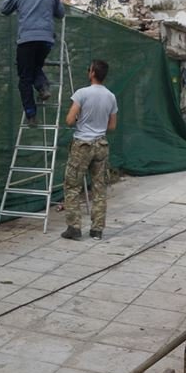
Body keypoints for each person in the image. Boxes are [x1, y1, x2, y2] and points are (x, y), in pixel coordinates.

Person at [0, 0, 65, 127]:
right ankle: (43, 86)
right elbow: (60, 14)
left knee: (25, 77)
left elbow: (4, 9)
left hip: (27, 40)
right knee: (35, 66)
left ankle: (31, 115)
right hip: (46, 40)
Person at [61, 59, 118, 241]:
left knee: (72, 186)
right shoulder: (111, 96)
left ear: (92, 72)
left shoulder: (82, 93)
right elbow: (112, 126)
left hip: (82, 144)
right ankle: (97, 230)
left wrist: (80, 121)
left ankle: (74, 228)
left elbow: (69, 120)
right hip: (101, 145)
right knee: (99, 188)